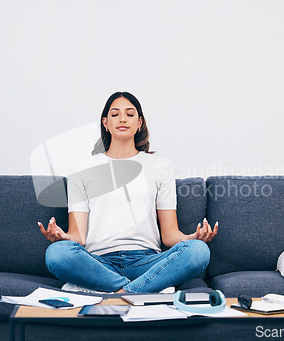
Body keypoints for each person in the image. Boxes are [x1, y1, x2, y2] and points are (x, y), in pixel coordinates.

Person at [38, 91, 218, 293]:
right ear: (105, 123)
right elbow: (77, 236)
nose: (122, 119)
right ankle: (139, 291)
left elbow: (169, 235)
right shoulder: (81, 169)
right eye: (115, 114)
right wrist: (61, 237)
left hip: (146, 263)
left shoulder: (160, 166)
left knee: (199, 251)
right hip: (98, 263)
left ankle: (120, 292)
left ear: (139, 122)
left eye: (130, 114)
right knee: (57, 253)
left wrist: (193, 237)